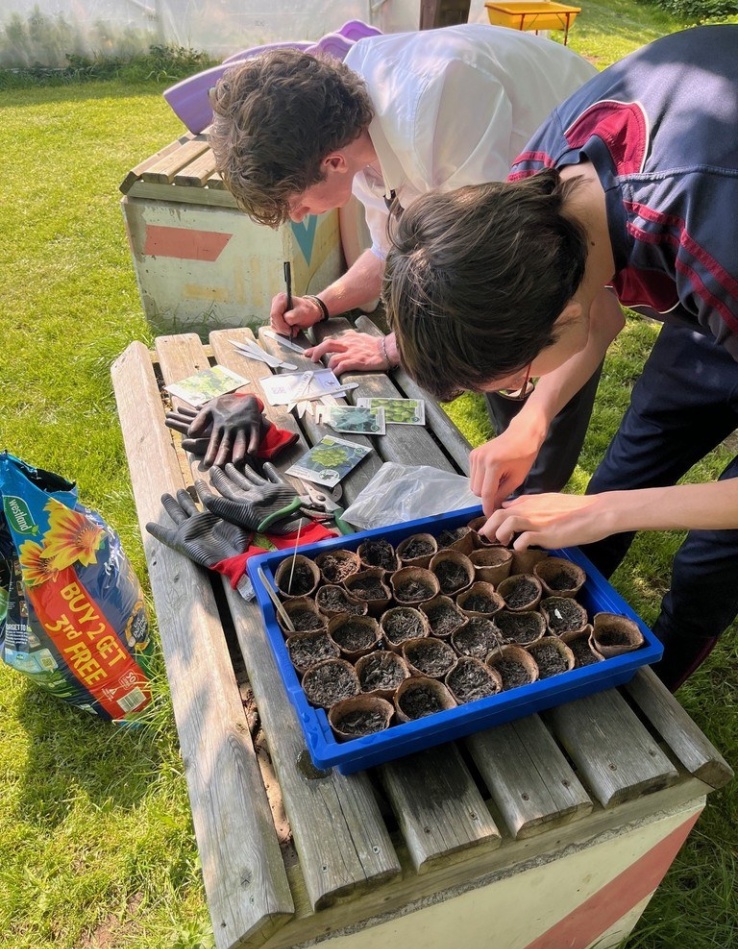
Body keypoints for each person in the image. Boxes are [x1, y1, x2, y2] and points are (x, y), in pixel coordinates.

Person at [383, 24, 738, 690]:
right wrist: (533, 420)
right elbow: (598, 313)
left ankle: (657, 693)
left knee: (713, 558)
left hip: (720, 224)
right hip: (705, 270)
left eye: (517, 381)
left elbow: (589, 312)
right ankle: (570, 655)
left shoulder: (711, 231)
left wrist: (602, 514)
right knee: (630, 469)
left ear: (557, 319)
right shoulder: (533, 194)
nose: (523, 389)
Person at [208, 24, 611, 496]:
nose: (298, 219)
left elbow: (492, 283)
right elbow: (390, 248)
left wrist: (389, 347)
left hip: (593, 206)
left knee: (521, 360)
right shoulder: (348, 136)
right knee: (495, 374)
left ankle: (535, 494)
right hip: (512, 234)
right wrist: (322, 303)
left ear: (332, 162)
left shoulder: (447, 105)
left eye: (294, 202)